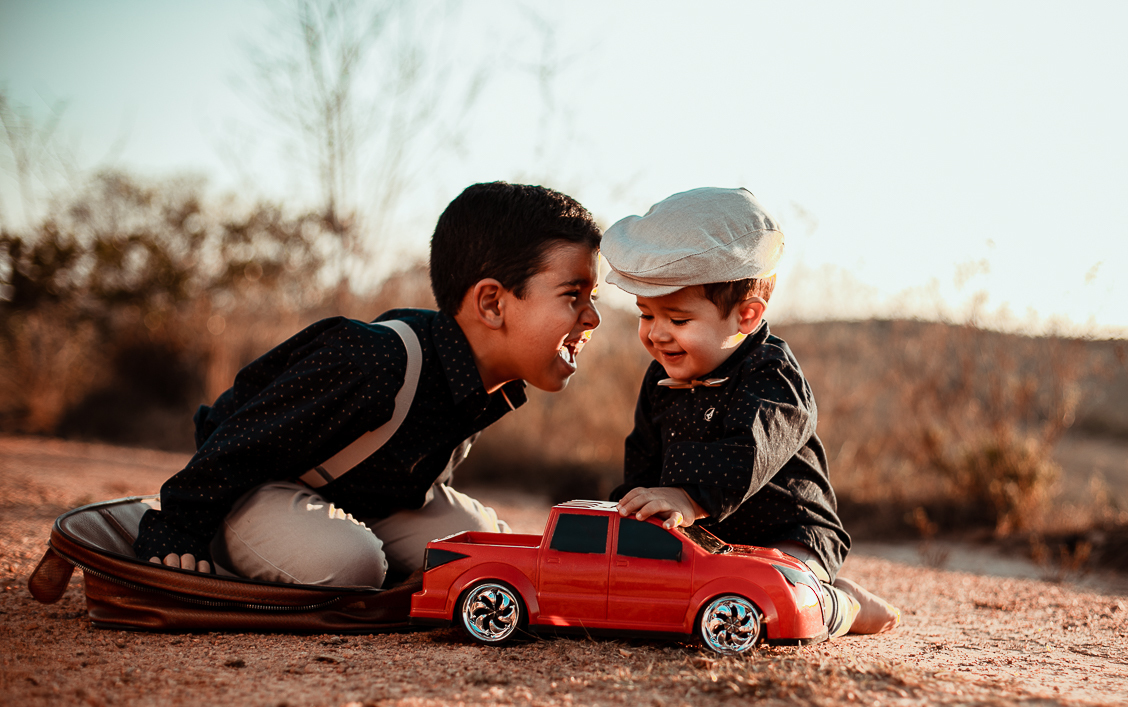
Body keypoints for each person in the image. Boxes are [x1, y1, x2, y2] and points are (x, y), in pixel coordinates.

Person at [135, 181, 602, 588]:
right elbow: (241, 441)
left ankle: (357, 546)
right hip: (255, 488)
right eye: (572, 295)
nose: (593, 317)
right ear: (493, 304)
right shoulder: (377, 359)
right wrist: (177, 527)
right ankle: (220, 540)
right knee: (351, 564)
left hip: (371, 503)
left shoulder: (484, 380)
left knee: (496, 554)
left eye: (593, 298)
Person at [603, 187, 898, 637]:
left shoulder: (771, 376)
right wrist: (629, 510)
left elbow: (751, 449)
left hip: (787, 532)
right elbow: (643, 453)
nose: (657, 334)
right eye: (646, 316)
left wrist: (690, 497)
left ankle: (841, 601)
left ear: (745, 316)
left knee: (780, 596)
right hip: (709, 541)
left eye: (678, 320)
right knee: (664, 592)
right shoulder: (659, 376)